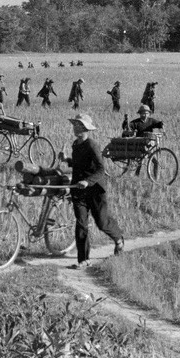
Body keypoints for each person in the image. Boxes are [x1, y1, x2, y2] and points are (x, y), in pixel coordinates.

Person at [57, 113, 124, 268]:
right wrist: (67, 160)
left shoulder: (92, 145)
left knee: (102, 222)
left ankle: (119, 239)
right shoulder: (76, 144)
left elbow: (101, 169)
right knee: (81, 224)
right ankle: (83, 260)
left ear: (86, 129)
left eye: (79, 125)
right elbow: (80, 164)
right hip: (79, 190)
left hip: (95, 189)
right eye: (74, 124)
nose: (75, 127)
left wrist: (87, 182)